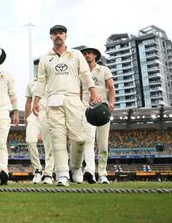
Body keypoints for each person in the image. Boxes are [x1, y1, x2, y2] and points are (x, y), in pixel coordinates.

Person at [32, 25, 101, 187]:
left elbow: (85, 74)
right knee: (58, 138)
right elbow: (41, 81)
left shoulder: (76, 54)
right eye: (55, 34)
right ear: (51, 37)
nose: (58, 36)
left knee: (80, 138)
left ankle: (76, 167)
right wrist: (36, 100)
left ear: (65, 36)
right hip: (53, 100)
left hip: (72, 99)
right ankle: (62, 174)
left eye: (61, 33)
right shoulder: (45, 58)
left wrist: (93, 92)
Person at [80, 47, 115, 184]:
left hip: (102, 110)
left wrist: (111, 102)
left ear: (95, 56)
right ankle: (89, 171)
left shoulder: (104, 70)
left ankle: (102, 173)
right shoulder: (81, 72)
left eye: (89, 53)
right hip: (87, 109)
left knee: (103, 145)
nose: (86, 55)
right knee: (88, 141)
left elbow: (111, 87)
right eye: (84, 54)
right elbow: (79, 91)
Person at [24, 59, 54, 184]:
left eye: (40, 65)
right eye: (36, 66)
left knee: (49, 146)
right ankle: (37, 170)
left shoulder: (52, 81)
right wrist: (27, 120)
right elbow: (28, 102)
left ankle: (48, 174)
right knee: (30, 140)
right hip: (34, 115)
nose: (38, 67)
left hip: (49, 115)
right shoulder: (31, 83)